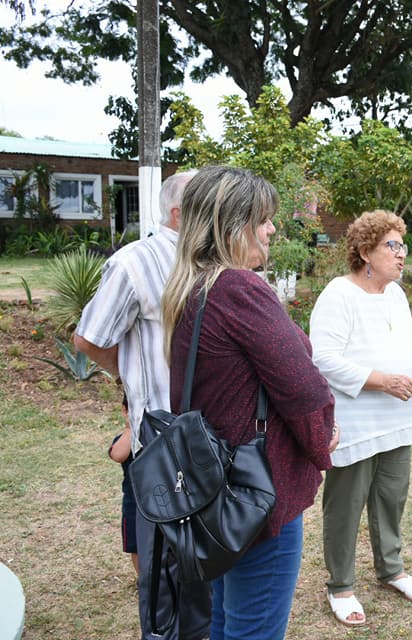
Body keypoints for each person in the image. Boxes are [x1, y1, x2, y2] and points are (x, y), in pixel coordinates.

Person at [161, 165, 338, 640]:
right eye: (263, 219)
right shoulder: (238, 288)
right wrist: (324, 439)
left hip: (214, 491)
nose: (272, 229)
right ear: (233, 224)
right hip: (256, 497)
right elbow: (303, 388)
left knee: (223, 621)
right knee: (252, 630)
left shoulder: (191, 287)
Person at [75, 169, 211, 640]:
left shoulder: (210, 260)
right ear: (178, 213)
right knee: (163, 568)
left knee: (204, 559)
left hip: (211, 438)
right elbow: (91, 338)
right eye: (203, 204)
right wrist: (134, 381)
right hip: (162, 441)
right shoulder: (135, 263)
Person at [309, 209, 412, 627]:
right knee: (346, 505)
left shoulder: (396, 295)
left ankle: (391, 569)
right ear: (366, 251)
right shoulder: (338, 293)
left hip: (397, 418)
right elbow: (322, 358)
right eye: (392, 246)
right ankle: (341, 585)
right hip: (355, 421)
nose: (402, 254)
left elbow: (410, 340)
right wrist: (381, 380)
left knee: (391, 497)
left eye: (402, 245)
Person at [108, 392, 137, 575]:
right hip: (134, 501)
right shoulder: (124, 438)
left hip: (159, 497)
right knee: (135, 544)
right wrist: (131, 428)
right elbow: (118, 455)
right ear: (124, 411)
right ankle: (143, 579)